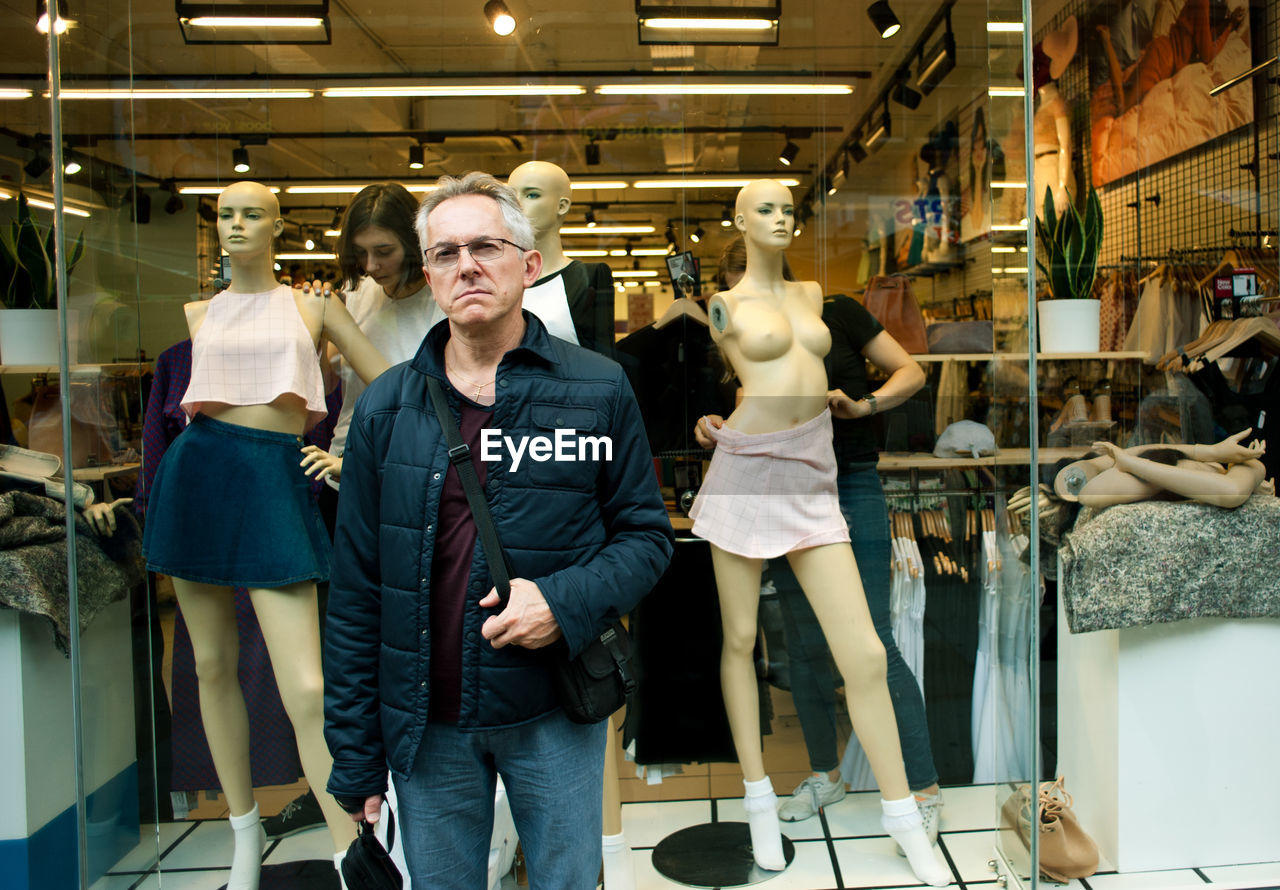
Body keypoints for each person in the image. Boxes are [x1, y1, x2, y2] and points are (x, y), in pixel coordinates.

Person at [322, 172, 673, 888]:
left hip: (552, 709)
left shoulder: (597, 389)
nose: (467, 265)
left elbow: (645, 536)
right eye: (446, 253)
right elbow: (357, 588)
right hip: (427, 724)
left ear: (530, 265)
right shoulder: (388, 409)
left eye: (486, 245)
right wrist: (356, 752)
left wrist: (563, 602)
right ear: (428, 275)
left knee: (565, 881)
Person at [686, 179, 950, 886]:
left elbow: (893, 372)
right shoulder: (724, 306)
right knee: (742, 643)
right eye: (764, 209)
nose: (780, 219)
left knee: (864, 652)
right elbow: (737, 390)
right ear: (738, 220)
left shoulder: (815, 299)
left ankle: (903, 814)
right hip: (746, 470)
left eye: (786, 209)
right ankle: (759, 803)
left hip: (813, 469)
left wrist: (862, 402)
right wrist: (706, 424)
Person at [141, 180, 390, 890]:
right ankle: (245, 841)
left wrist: (350, 457)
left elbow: (392, 385)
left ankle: (352, 853)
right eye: (225, 214)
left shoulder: (313, 305)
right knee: (210, 667)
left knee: (308, 687)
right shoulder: (200, 311)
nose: (236, 225)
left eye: (252, 213)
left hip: (274, 482)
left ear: (279, 224)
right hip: (199, 474)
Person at [506, 160, 618, 358]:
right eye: (511, 196)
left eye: (532, 195)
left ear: (562, 205)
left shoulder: (586, 279)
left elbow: (604, 367)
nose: (517, 205)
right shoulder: (492, 278)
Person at [1096, 0, 1246, 117]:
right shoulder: (1203, 2)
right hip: (1164, 56)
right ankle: (1106, 39)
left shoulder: (1208, 4)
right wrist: (1228, 28)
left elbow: (1204, 37)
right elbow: (1207, 54)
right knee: (1124, 106)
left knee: (1125, 96)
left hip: (1164, 55)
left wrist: (1228, 23)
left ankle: (1106, 39)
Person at [1054, 429, 1271, 508]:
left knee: (1251, 465)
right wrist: (1129, 463)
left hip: (1225, 472)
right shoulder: (1102, 484)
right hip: (1227, 477)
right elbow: (1232, 492)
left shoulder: (1244, 467)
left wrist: (1211, 452)